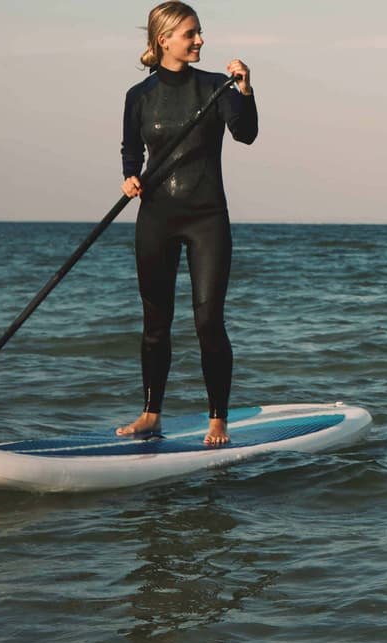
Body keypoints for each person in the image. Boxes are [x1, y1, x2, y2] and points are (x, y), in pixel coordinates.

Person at [115, 1, 257, 446]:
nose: (200, 40)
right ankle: (151, 414)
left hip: (206, 218)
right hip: (156, 217)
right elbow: (130, 150)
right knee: (155, 323)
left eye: (199, 32)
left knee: (208, 321)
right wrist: (129, 176)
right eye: (191, 33)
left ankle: (218, 419)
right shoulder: (138, 96)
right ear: (165, 41)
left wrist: (245, 90)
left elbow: (246, 133)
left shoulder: (216, 87)